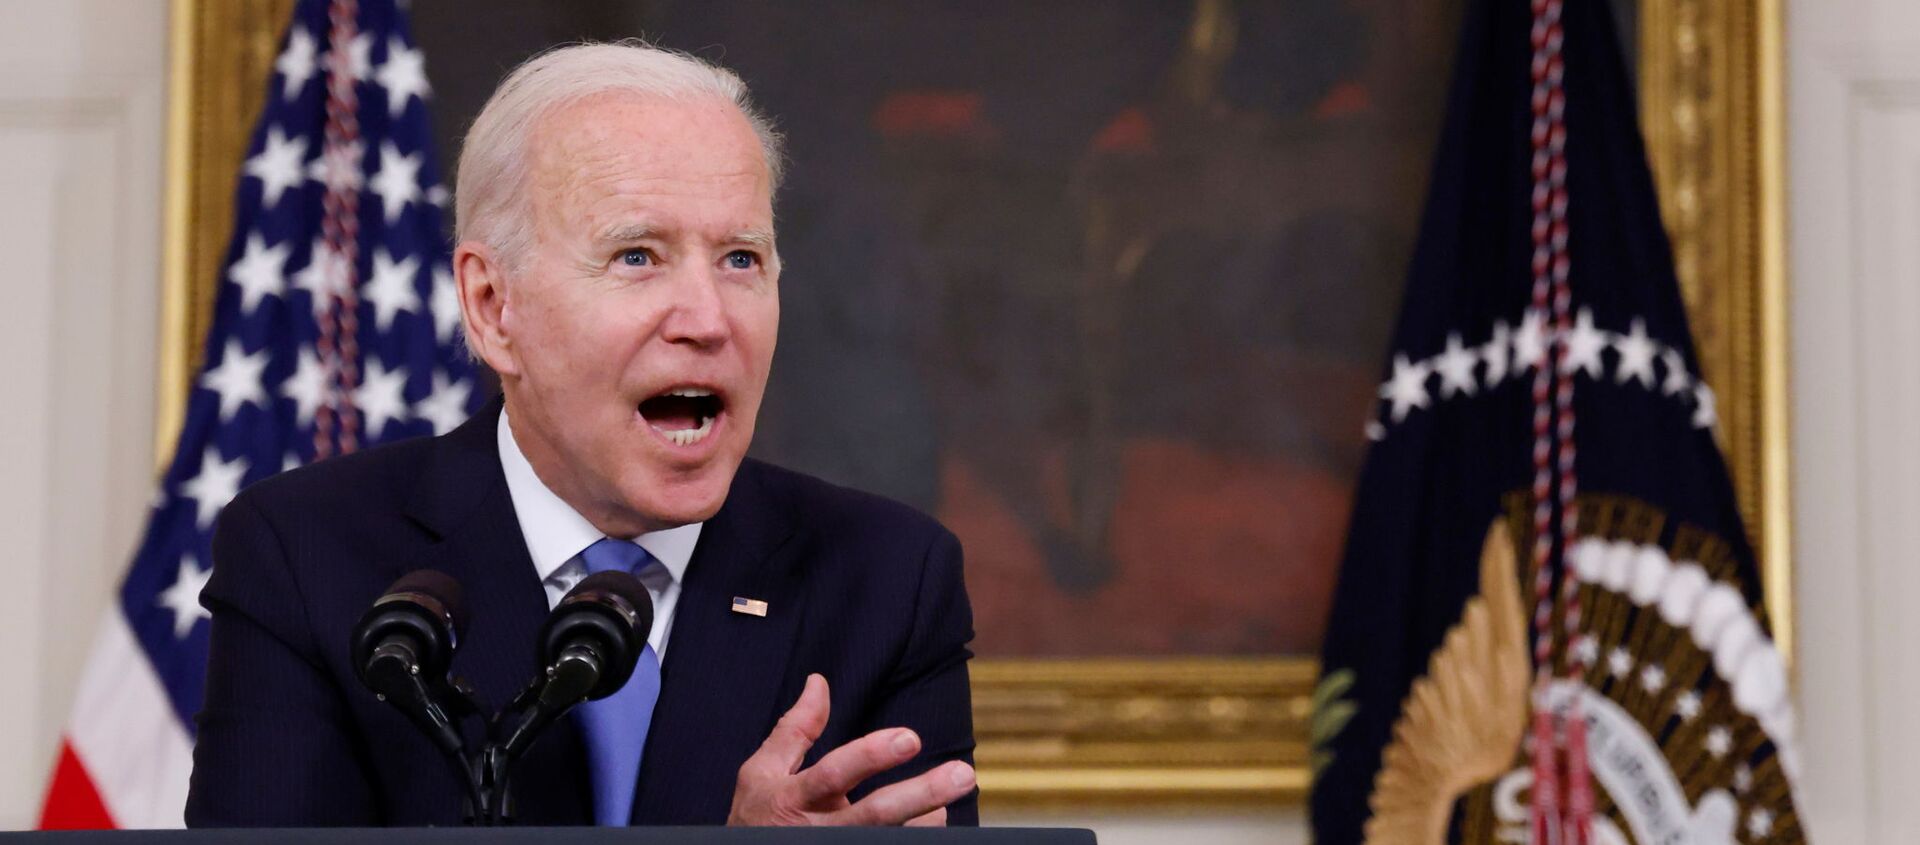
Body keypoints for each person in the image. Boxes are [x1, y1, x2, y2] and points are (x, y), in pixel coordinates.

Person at [185, 42, 978, 828]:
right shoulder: (307, 556)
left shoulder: (886, 581)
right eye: (637, 256)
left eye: (741, 259)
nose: (708, 320)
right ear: (494, 306)